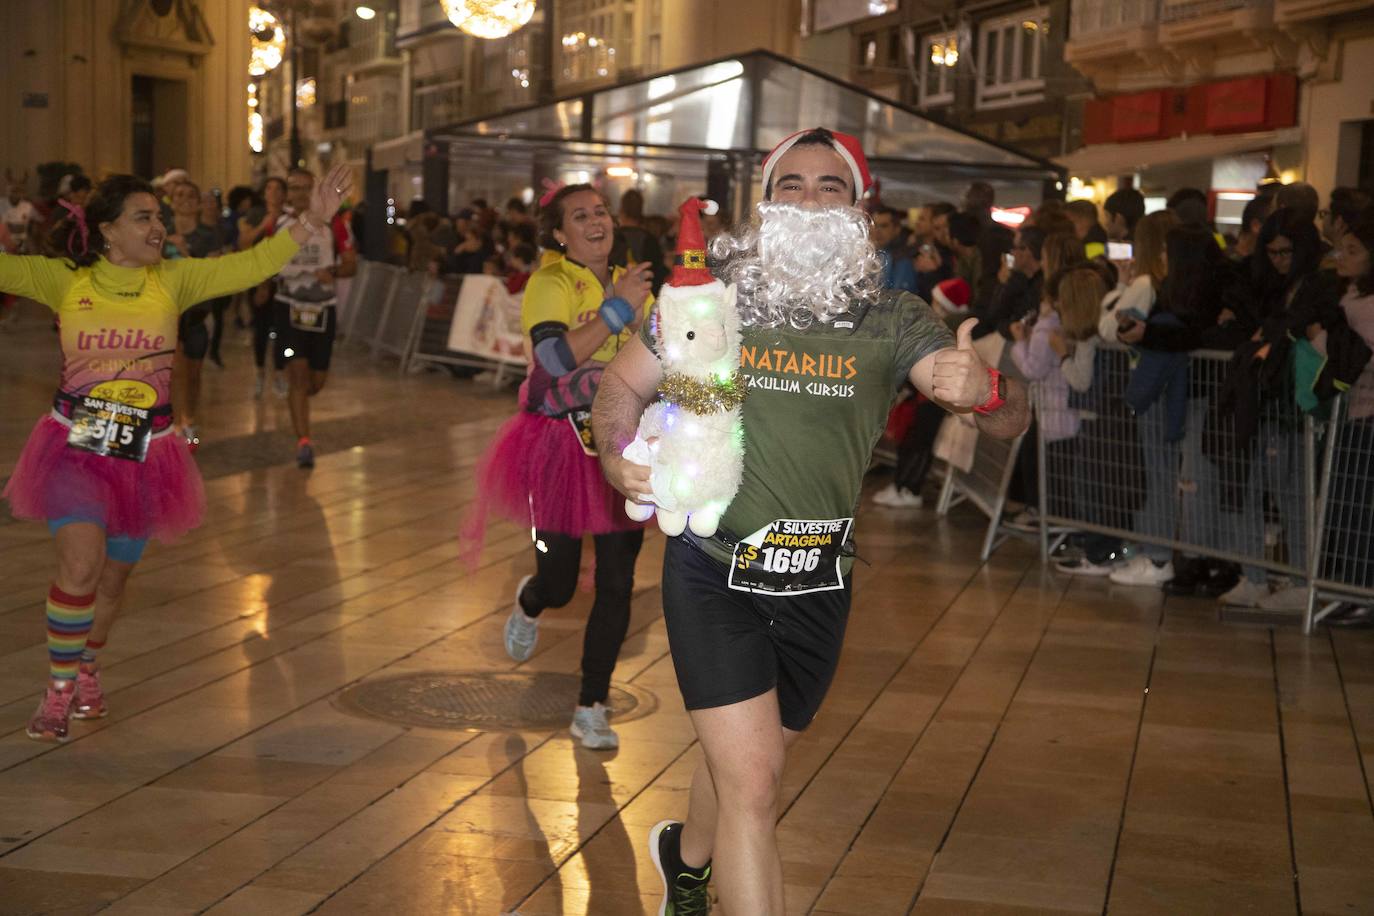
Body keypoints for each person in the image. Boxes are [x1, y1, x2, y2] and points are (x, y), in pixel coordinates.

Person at [592, 127, 1029, 915]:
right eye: (789, 184)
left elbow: (1000, 422)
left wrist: (990, 391)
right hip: (712, 564)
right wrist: (616, 450)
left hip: (818, 579)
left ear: (859, 208)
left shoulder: (893, 318)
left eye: (830, 187)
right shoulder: (709, 299)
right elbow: (618, 387)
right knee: (755, 786)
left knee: (744, 767)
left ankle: (684, 860)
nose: (808, 201)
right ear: (764, 205)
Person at [1, 166, 352, 742]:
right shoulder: (65, 279)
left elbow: (251, 265)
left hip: (145, 453)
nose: (158, 226)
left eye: (160, 216)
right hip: (77, 442)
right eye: (144, 217)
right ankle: (58, 690)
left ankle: (87, 664)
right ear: (108, 231)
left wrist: (313, 218)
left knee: (113, 581)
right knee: (80, 566)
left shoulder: (175, 279)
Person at [461, 183, 655, 751]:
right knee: (562, 581)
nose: (596, 222)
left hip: (622, 443)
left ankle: (592, 704)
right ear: (558, 233)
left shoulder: (637, 280)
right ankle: (532, 599)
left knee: (619, 581)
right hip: (559, 445)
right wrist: (616, 308)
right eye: (580, 215)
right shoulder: (550, 282)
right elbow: (551, 358)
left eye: (600, 212)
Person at [272, 167, 358, 468]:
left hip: (322, 311)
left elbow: (351, 265)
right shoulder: (280, 224)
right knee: (298, 372)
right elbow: (262, 260)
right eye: (292, 188)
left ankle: (300, 399)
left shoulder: (335, 225)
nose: (298, 195)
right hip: (288, 307)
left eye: (304, 189)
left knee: (316, 381)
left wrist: (331, 272)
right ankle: (304, 442)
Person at [164, 178, 227, 448]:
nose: (185, 200)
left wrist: (185, 252)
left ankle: (190, 417)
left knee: (193, 373)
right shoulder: (160, 231)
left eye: (191, 195)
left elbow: (211, 275)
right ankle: (175, 424)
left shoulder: (207, 234)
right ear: (172, 200)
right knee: (174, 370)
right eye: (179, 195)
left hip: (197, 312)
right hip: (168, 312)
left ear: (198, 203)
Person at [240, 176, 287, 398]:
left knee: (282, 329)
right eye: (270, 188)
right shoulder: (255, 214)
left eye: (279, 188)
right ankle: (260, 373)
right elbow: (245, 242)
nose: (274, 192)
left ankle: (279, 374)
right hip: (259, 278)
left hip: (284, 281)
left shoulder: (290, 215)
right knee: (261, 327)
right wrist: (265, 223)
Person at [612, 188, 667, 294]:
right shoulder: (651, 240)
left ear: (621, 209)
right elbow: (658, 274)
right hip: (647, 294)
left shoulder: (612, 238)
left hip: (617, 293)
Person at [871, 205, 917, 293]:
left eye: (884, 226)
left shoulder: (904, 258)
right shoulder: (870, 254)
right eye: (875, 225)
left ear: (897, 229)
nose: (878, 231)